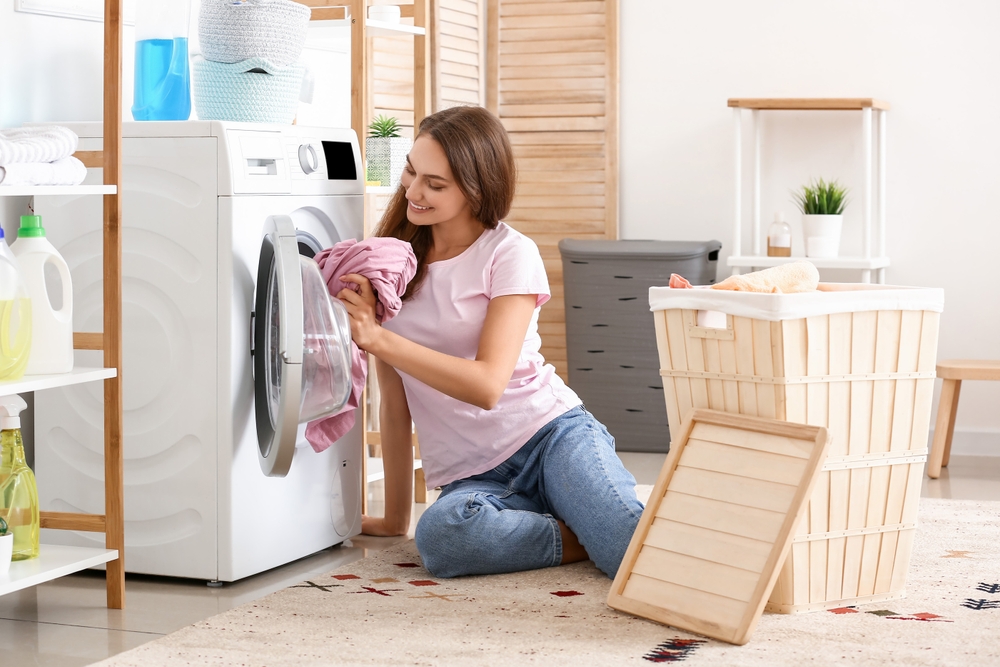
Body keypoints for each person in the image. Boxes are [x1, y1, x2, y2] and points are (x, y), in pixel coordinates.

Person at [336, 105, 643, 579]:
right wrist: (396, 519)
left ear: (476, 189)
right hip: (474, 477)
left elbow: (487, 385)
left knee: (630, 553)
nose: (413, 192)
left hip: (550, 437)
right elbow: (395, 403)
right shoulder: (393, 263)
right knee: (442, 539)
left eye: (435, 184)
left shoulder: (510, 252)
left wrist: (377, 339)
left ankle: (600, 524)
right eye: (411, 172)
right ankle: (578, 530)